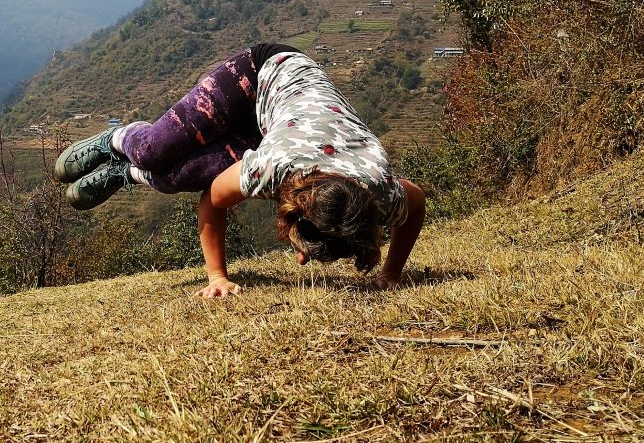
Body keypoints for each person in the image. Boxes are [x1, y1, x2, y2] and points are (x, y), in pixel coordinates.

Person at [53, 43, 425, 298]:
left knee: (174, 179)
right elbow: (212, 201)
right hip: (263, 72)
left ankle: (123, 173)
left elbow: (416, 203)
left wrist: (391, 274)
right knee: (154, 152)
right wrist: (217, 276)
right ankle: (116, 140)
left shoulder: (380, 193)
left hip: (273, 126)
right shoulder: (274, 167)